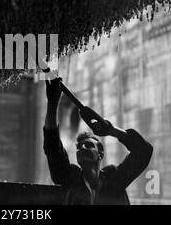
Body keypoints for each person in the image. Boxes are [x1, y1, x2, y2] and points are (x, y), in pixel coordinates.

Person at [43, 77, 153, 205]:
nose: (82, 148)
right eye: (79, 147)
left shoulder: (114, 180)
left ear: (100, 152)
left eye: (88, 145)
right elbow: (52, 148)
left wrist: (112, 130)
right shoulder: (70, 177)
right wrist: (52, 103)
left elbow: (143, 151)